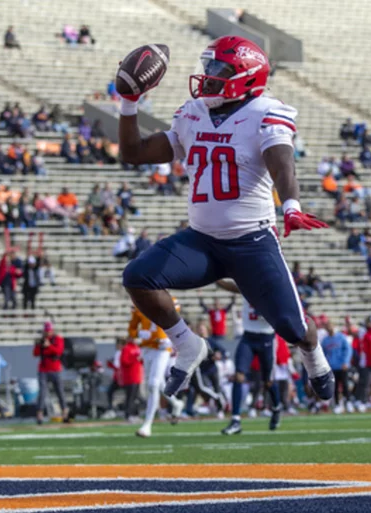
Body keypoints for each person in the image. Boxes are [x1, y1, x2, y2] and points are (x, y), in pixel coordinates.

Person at [118, 36, 334, 407]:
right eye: (208, 67)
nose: (207, 76)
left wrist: (292, 205)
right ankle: (187, 345)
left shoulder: (266, 112)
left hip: (252, 242)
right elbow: (134, 152)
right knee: (138, 277)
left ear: (246, 77)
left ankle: (315, 358)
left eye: (217, 69)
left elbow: (282, 163)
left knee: (294, 329)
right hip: (202, 241)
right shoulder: (193, 113)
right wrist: (128, 103)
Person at [217, 280, 283, 434]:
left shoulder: (274, 290)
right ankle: (235, 420)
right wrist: (214, 278)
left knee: (268, 381)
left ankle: (276, 407)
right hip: (248, 338)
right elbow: (232, 287)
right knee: (238, 376)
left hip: (267, 338)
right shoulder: (249, 285)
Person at [128, 302, 185, 438]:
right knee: (158, 383)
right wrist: (140, 333)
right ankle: (176, 403)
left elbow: (174, 322)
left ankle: (147, 425)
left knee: (153, 384)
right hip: (147, 349)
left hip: (162, 349)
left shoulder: (170, 301)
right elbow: (131, 330)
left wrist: (169, 339)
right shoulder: (139, 306)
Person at [34, 322, 69, 424]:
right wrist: (39, 345)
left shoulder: (57, 339)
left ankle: (65, 413)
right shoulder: (41, 341)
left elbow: (58, 351)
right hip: (43, 369)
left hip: (55, 369)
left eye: (48, 331)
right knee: (42, 392)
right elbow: (35, 353)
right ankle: (39, 414)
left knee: (60, 392)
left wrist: (49, 346)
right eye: (45, 331)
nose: (47, 333)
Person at [320, 320, 352, 414]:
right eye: (327, 326)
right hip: (331, 367)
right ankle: (338, 404)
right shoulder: (325, 340)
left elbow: (348, 350)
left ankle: (348, 402)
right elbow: (323, 354)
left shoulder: (341, 337)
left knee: (345, 385)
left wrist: (346, 362)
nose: (329, 328)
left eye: (330, 325)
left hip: (342, 366)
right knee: (335, 387)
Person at [120, 337, 143, 422]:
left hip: (137, 376)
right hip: (129, 377)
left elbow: (141, 361)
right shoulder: (126, 348)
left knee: (136, 397)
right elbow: (124, 361)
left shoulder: (137, 348)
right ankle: (128, 415)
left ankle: (135, 414)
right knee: (130, 397)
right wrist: (135, 359)